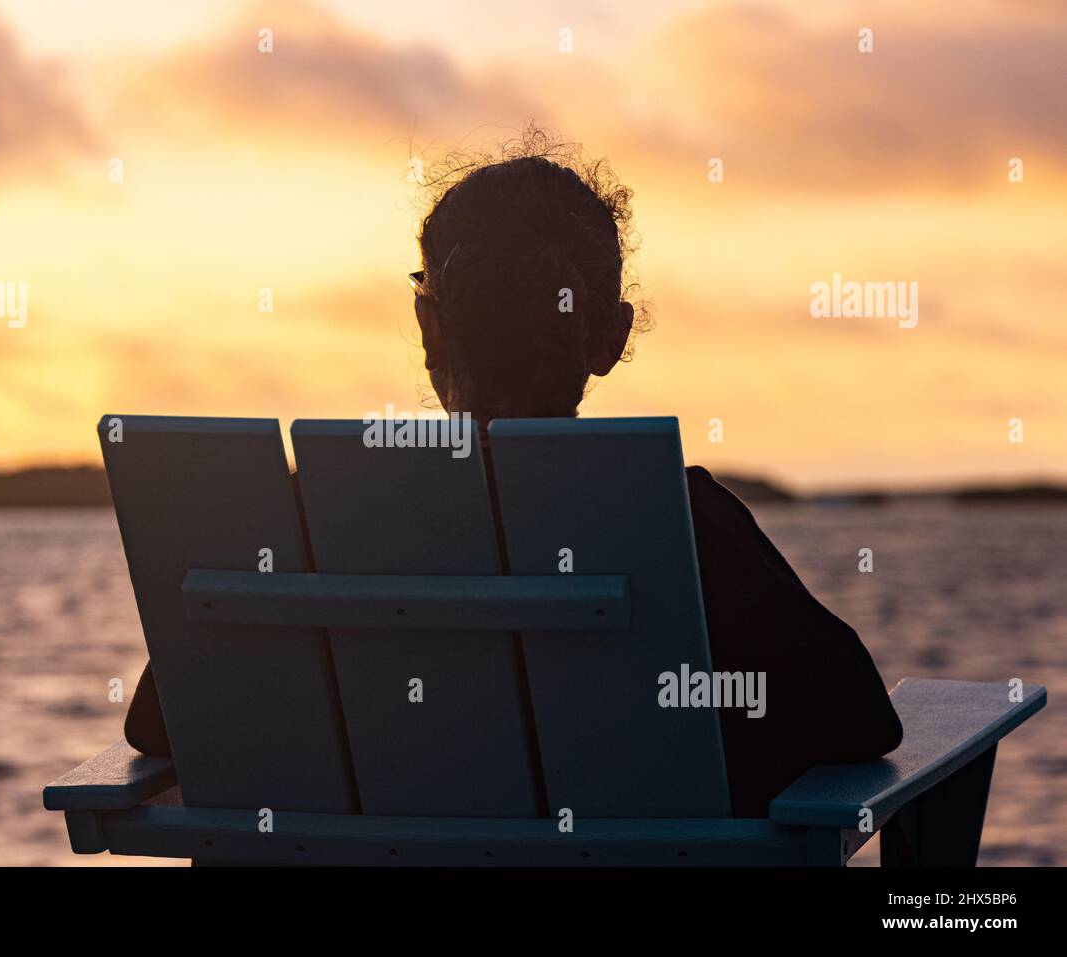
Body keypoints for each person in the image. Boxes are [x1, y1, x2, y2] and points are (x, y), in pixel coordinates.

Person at [124, 128, 903, 817]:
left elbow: (160, 723)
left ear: (430, 331)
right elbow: (861, 721)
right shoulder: (683, 525)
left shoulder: (305, 525)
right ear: (609, 337)